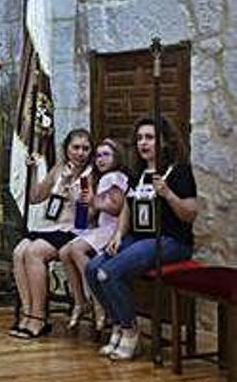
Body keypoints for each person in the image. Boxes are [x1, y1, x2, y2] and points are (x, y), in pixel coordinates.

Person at [85, 116, 198, 361]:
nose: (143, 143)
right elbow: (127, 205)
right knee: (93, 268)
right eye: (139, 138)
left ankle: (130, 330)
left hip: (171, 240)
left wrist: (168, 194)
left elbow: (190, 214)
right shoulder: (138, 172)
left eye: (149, 138)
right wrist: (118, 234)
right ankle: (117, 323)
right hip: (138, 238)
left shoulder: (179, 172)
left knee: (110, 272)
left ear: (165, 142)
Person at [10, 128, 93, 339]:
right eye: (76, 147)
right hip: (50, 226)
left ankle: (39, 317)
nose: (80, 153)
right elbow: (35, 197)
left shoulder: (89, 175)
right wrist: (32, 172)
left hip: (73, 229)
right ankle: (28, 313)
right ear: (66, 149)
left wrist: (72, 193)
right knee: (19, 251)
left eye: (85, 148)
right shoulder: (58, 168)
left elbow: (85, 218)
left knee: (34, 252)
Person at [58, 138, 129, 332]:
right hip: (100, 227)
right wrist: (80, 198)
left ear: (117, 156)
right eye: (98, 155)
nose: (101, 159)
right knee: (65, 251)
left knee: (76, 249)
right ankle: (80, 301)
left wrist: (93, 200)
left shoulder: (115, 176)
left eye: (106, 154)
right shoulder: (101, 178)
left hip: (112, 230)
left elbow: (116, 207)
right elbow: (85, 216)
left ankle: (98, 302)